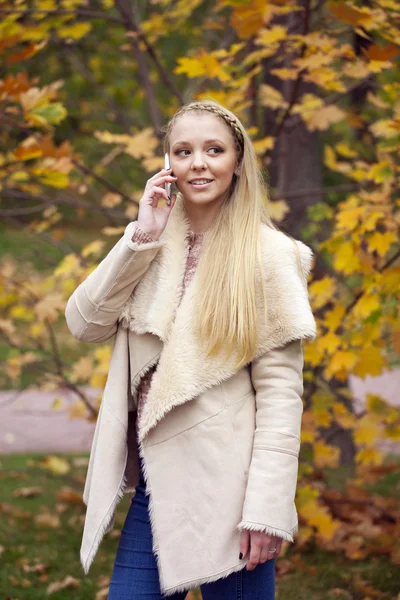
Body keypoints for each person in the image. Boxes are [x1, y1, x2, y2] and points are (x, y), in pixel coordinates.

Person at [65, 100, 317, 600]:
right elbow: (85, 323)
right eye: (184, 151)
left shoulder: (270, 255)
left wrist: (265, 510)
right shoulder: (149, 243)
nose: (198, 162)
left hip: (233, 496)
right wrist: (142, 235)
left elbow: (281, 399)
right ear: (168, 164)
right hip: (156, 490)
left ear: (237, 162)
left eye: (214, 149)